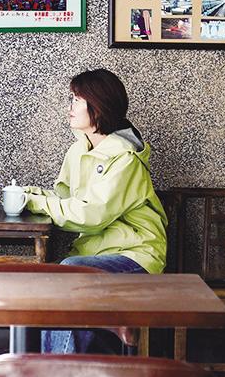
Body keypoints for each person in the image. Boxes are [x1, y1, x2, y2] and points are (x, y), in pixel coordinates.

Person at [23, 69, 167, 355]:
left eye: (77, 100)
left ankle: (60, 373)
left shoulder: (125, 158)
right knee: (46, 280)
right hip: (94, 254)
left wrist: (36, 203)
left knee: (69, 274)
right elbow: (67, 200)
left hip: (135, 255)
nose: (70, 107)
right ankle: (51, 370)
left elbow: (89, 216)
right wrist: (29, 195)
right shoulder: (78, 151)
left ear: (98, 106)